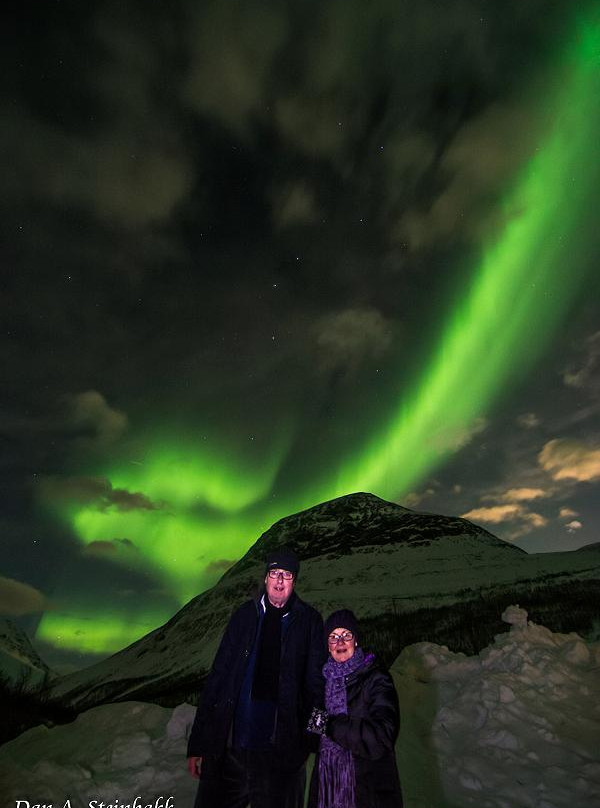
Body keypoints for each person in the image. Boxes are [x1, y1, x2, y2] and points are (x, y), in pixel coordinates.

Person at [187, 547, 326, 808]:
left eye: (287, 575)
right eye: (275, 573)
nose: (280, 581)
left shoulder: (309, 622)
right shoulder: (244, 616)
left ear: (294, 581)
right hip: (231, 750)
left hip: (281, 756)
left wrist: (314, 740)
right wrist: (199, 743)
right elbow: (217, 679)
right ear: (265, 578)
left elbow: (319, 687)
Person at [306, 609, 403, 808]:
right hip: (326, 791)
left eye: (346, 635)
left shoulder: (376, 678)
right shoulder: (323, 682)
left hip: (367, 792)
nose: (340, 642)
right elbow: (314, 741)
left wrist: (330, 725)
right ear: (327, 645)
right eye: (333, 637)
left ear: (356, 640)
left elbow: (381, 737)